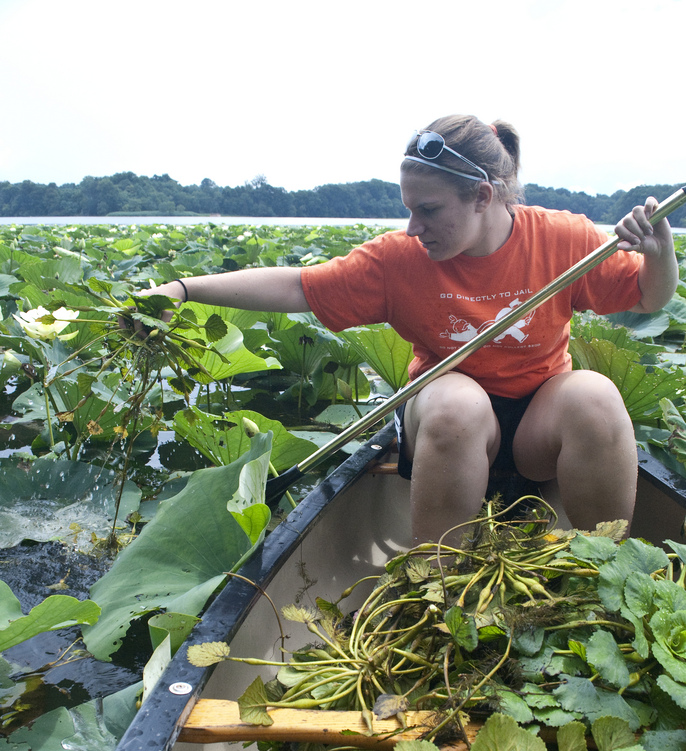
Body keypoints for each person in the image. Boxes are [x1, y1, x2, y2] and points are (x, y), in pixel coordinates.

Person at [138, 114, 678, 543]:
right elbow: (299, 287)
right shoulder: (399, 260)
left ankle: (601, 565)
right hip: (445, 420)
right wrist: (184, 289)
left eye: (429, 210)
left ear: (483, 197)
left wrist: (660, 250)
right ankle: (442, 583)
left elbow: (650, 296)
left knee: (597, 395)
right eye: (408, 210)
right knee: (458, 406)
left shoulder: (564, 239)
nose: (413, 227)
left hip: (539, 419)